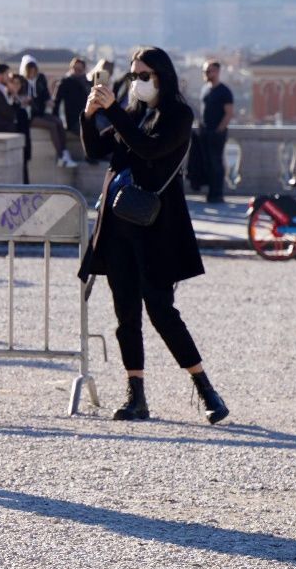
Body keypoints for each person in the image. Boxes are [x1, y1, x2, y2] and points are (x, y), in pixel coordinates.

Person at [80, 45, 229, 425]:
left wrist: (113, 110)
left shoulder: (178, 114)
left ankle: (205, 388)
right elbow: (95, 149)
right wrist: (89, 115)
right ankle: (136, 395)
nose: (137, 82)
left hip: (156, 230)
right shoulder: (134, 113)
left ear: (162, 76)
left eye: (144, 76)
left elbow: (149, 149)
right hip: (118, 229)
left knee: (163, 312)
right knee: (125, 313)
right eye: (133, 76)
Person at [22, 56, 77, 169]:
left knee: (58, 122)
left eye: (34, 70)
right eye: (30, 71)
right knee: (52, 126)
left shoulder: (40, 78)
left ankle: (64, 151)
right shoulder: (22, 82)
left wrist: (48, 100)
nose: (32, 73)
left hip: (40, 112)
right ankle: (61, 156)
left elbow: (45, 93)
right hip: (30, 116)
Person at [198, 61, 235, 204]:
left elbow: (229, 113)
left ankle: (217, 194)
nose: (207, 74)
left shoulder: (224, 91)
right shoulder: (205, 89)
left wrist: (218, 131)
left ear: (217, 72)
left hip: (217, 134)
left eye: (209, 71)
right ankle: (210, 193)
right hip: (205, 131)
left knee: (216, 163)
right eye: (205, 71)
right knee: (207, 163)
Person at [53, 57, 91, 162]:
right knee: (88, 130)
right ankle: (90, 155)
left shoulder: (88, 83)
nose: (77, 72)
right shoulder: (65, 82)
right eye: (75, 69)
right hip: (74, 120)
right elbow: (56, 102)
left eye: (79, 69)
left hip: (88, 117)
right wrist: (58, 120)